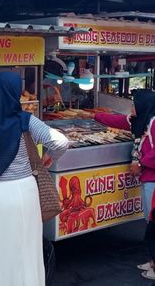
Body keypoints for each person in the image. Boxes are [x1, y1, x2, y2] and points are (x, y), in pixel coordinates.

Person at [0, 72, 68, 286]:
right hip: (21, 193)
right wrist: (49, 157)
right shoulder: (25, 120)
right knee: (24, 250)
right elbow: (60, 142)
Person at [82, 89, 155, 277]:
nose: (132, 107)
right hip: (147, 178)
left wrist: (140, 162)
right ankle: (153, 261)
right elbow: (119, 122)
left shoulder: (154, 123)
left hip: (152, 179)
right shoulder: (140, 121)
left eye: (134, 104)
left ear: (144, 105)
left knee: (153, 222)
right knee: (150, 221)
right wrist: (94, 115)